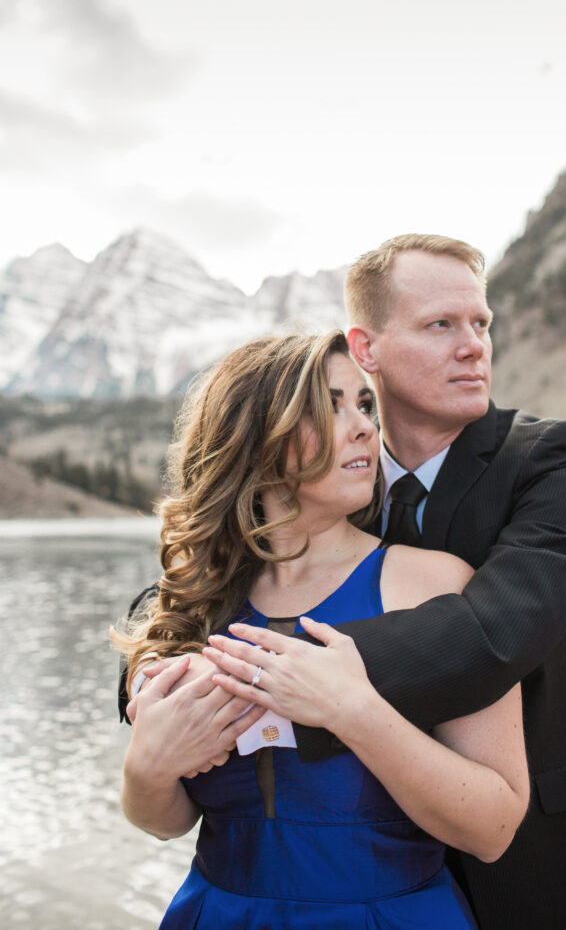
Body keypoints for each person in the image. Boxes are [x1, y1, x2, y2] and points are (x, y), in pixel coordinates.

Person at [224, 232, 566, 930]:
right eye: (440, 325)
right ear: (366, 347)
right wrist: (161, 672)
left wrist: (280, 679)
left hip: (556, 859)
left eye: (480, 324)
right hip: (381, 866)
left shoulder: (550, 460)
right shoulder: (328, 479)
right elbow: (219, 581)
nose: (474, 346)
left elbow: (495, 633)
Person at [113, 330, 529, 929]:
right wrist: (145, 770)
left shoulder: (434, 587)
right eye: (328, 407)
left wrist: (355, 712)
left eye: (363, 404)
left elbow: (493, 827)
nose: (364, 426)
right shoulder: (196, 605)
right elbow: (167, 821)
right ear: (255, 438)